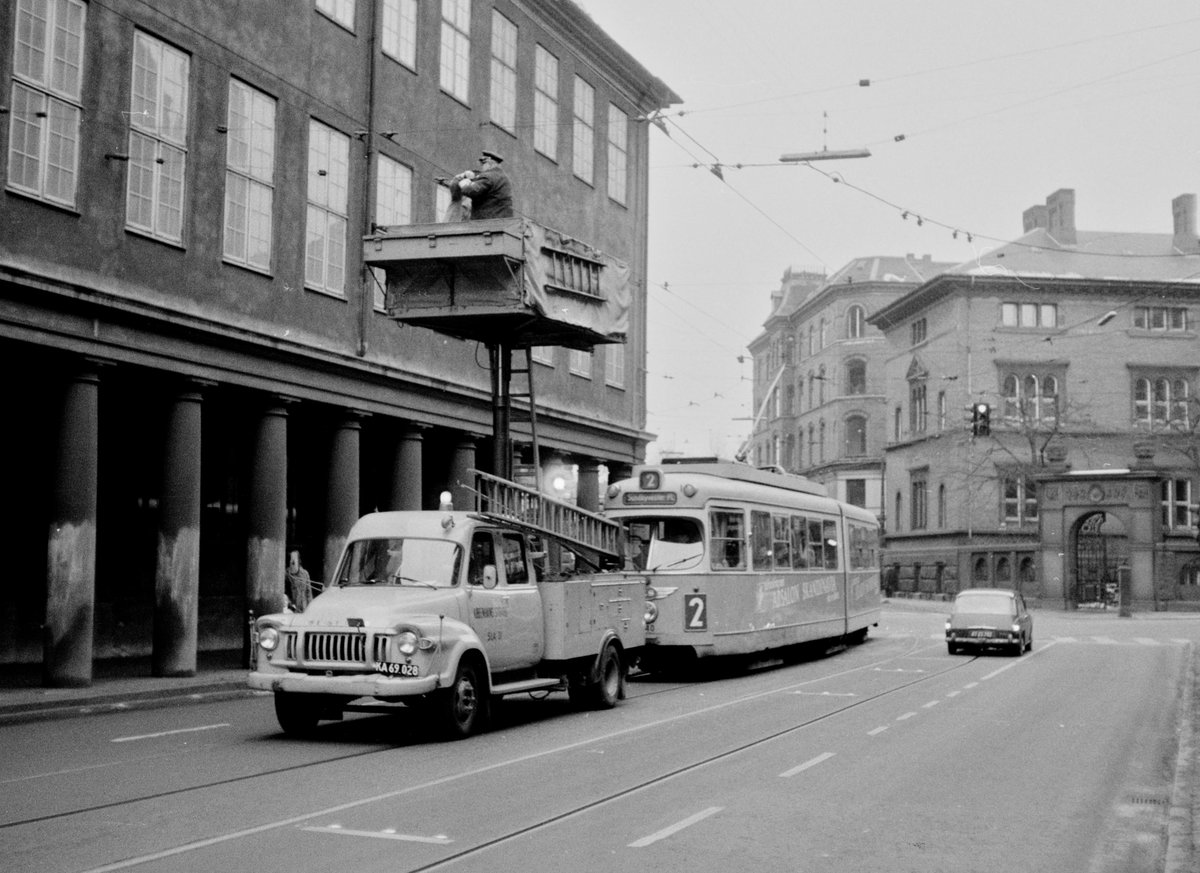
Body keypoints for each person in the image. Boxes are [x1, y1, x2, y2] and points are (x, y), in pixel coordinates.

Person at [452, 150, 513, 219]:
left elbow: (471, 191)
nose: (481, 166)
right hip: (502, 220)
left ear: (489, 161)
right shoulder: (503, 177)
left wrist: (463, 183)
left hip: (486, 221)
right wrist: (474, 175)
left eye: (483, 163)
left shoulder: (488, 176)